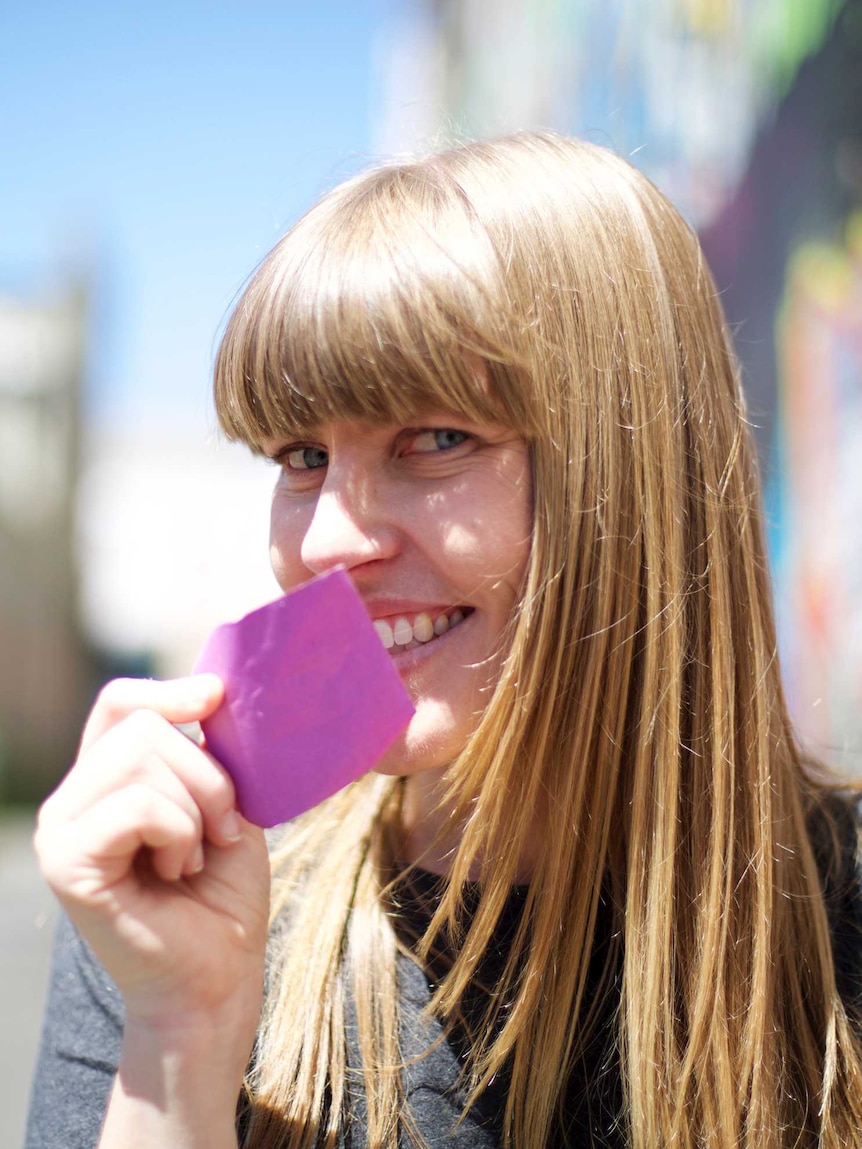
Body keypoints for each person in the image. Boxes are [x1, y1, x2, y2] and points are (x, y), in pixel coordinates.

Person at [26, 132, 862, 1149]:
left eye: (434, 439)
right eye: (299, 455)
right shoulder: (182, 918)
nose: (327, 538)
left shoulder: (838, 924)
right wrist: (181, 1037)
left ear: (629, 472)